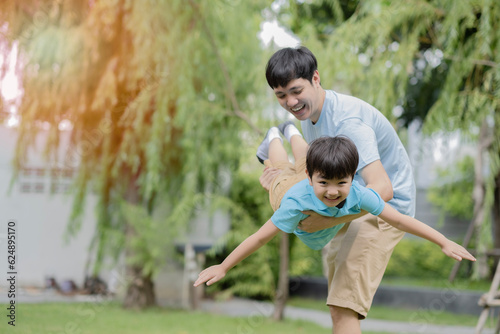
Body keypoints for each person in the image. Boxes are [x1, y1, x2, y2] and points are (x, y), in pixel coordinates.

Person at [260, 45, 420, 334]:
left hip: (382, 211)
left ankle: (279, 135)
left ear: (316, 79)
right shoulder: (311, 118)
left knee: (343, 308)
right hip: (343, 203)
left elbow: (382, 189)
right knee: (338, 307)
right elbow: (311, 174)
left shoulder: (349, 122)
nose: (291, 101)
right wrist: (275, 175)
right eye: (281, 95)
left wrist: (327, 220)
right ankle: (277, 137)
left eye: (296, 91)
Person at [194, 133, 475, 292]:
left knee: (305, 155)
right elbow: (258, 238)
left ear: (353, 177)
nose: (333, 191)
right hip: (287, 191)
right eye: (325, 183)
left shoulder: (360, 194)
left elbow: (400, 219)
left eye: (342, 183)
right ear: (311, 177)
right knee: (281, 169)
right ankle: (274, 136)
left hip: (307, 178)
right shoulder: (293, 203)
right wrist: (224, 266)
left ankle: (293, 131)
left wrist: (443, 241)